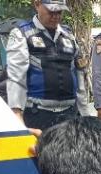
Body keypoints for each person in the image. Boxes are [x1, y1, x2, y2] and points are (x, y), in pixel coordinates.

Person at [6, 0, 90, 130]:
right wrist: (16, 114)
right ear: (37, 4)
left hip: (69, 114)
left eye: (59, 11)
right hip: (38, 115)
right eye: (51, 11)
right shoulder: (21, 34)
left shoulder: (69, 35)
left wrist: (85, 114)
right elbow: (16, 78)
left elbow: (79, 76)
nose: (56, 16)